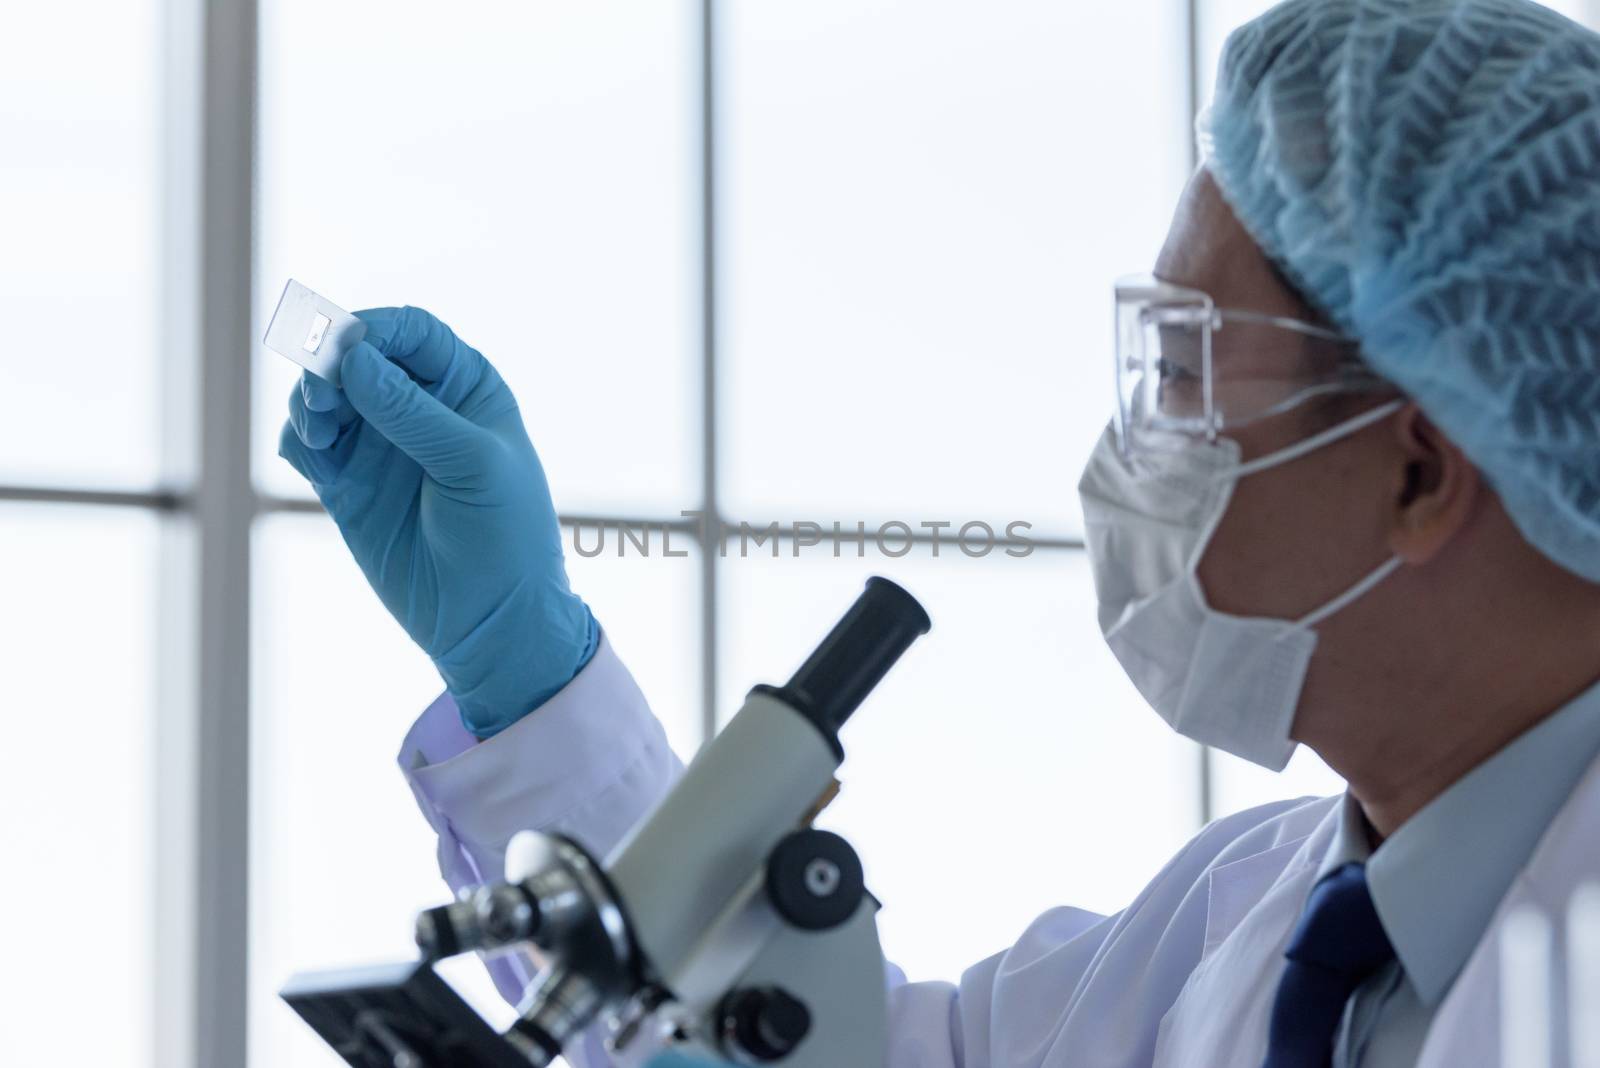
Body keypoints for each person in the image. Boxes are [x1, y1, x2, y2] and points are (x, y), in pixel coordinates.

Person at [278, 0, 1600, 1064]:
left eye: (1183, 372)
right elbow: (811, 1041)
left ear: (1421, 471)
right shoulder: (1242, 927)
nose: (1130, 447)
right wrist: (529, 676)